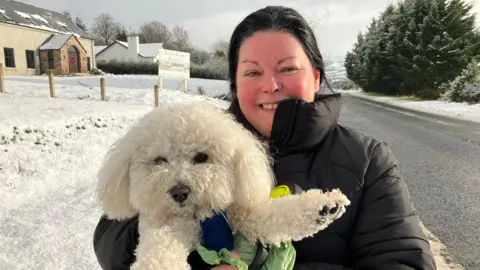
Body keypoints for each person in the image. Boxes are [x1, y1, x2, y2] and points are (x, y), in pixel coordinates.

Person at [93, 5, 437, 270]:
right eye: (252, 72)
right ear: (236, 83)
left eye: (287, 68)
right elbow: (110, 239)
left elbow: (402, 260)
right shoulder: (185, 132)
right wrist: (171, 223)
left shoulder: (367, 159)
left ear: (315, 77)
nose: (270, 85)